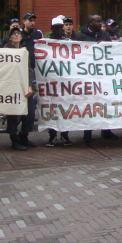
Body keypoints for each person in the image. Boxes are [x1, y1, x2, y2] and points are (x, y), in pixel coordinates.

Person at [76, 14, 119, 142]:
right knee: (89, 104)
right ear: (90, 22)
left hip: (102, 75)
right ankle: (87, 133)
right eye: (97, 21)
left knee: (104, 103)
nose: (100, 23)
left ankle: (106, 131)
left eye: (101, 21)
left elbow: (110, 51)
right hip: (88, 76)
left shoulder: (104, 35)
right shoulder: (81, 37)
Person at [4, 27, 37, 150]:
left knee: (30, 113)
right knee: (13, 114)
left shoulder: (25, 51)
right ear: (10, 37)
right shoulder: (7, 51)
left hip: (23, 86)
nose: (17, 35)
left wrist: (29, 85)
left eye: (18, 33)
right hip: (12, 86)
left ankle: (24, 136)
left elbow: (28, 69)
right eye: (14, 33)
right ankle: (14, 139)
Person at [45, 19, 73, 147]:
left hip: (65, 81)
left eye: (60, 27)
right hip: (51, 81)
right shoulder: (46, 42)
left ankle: (65, 135)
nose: (59, 29)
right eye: (56, 27)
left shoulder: (67, 42)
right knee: (53, 109)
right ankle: (52, 136)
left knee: (65, 108)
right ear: (52, 28)